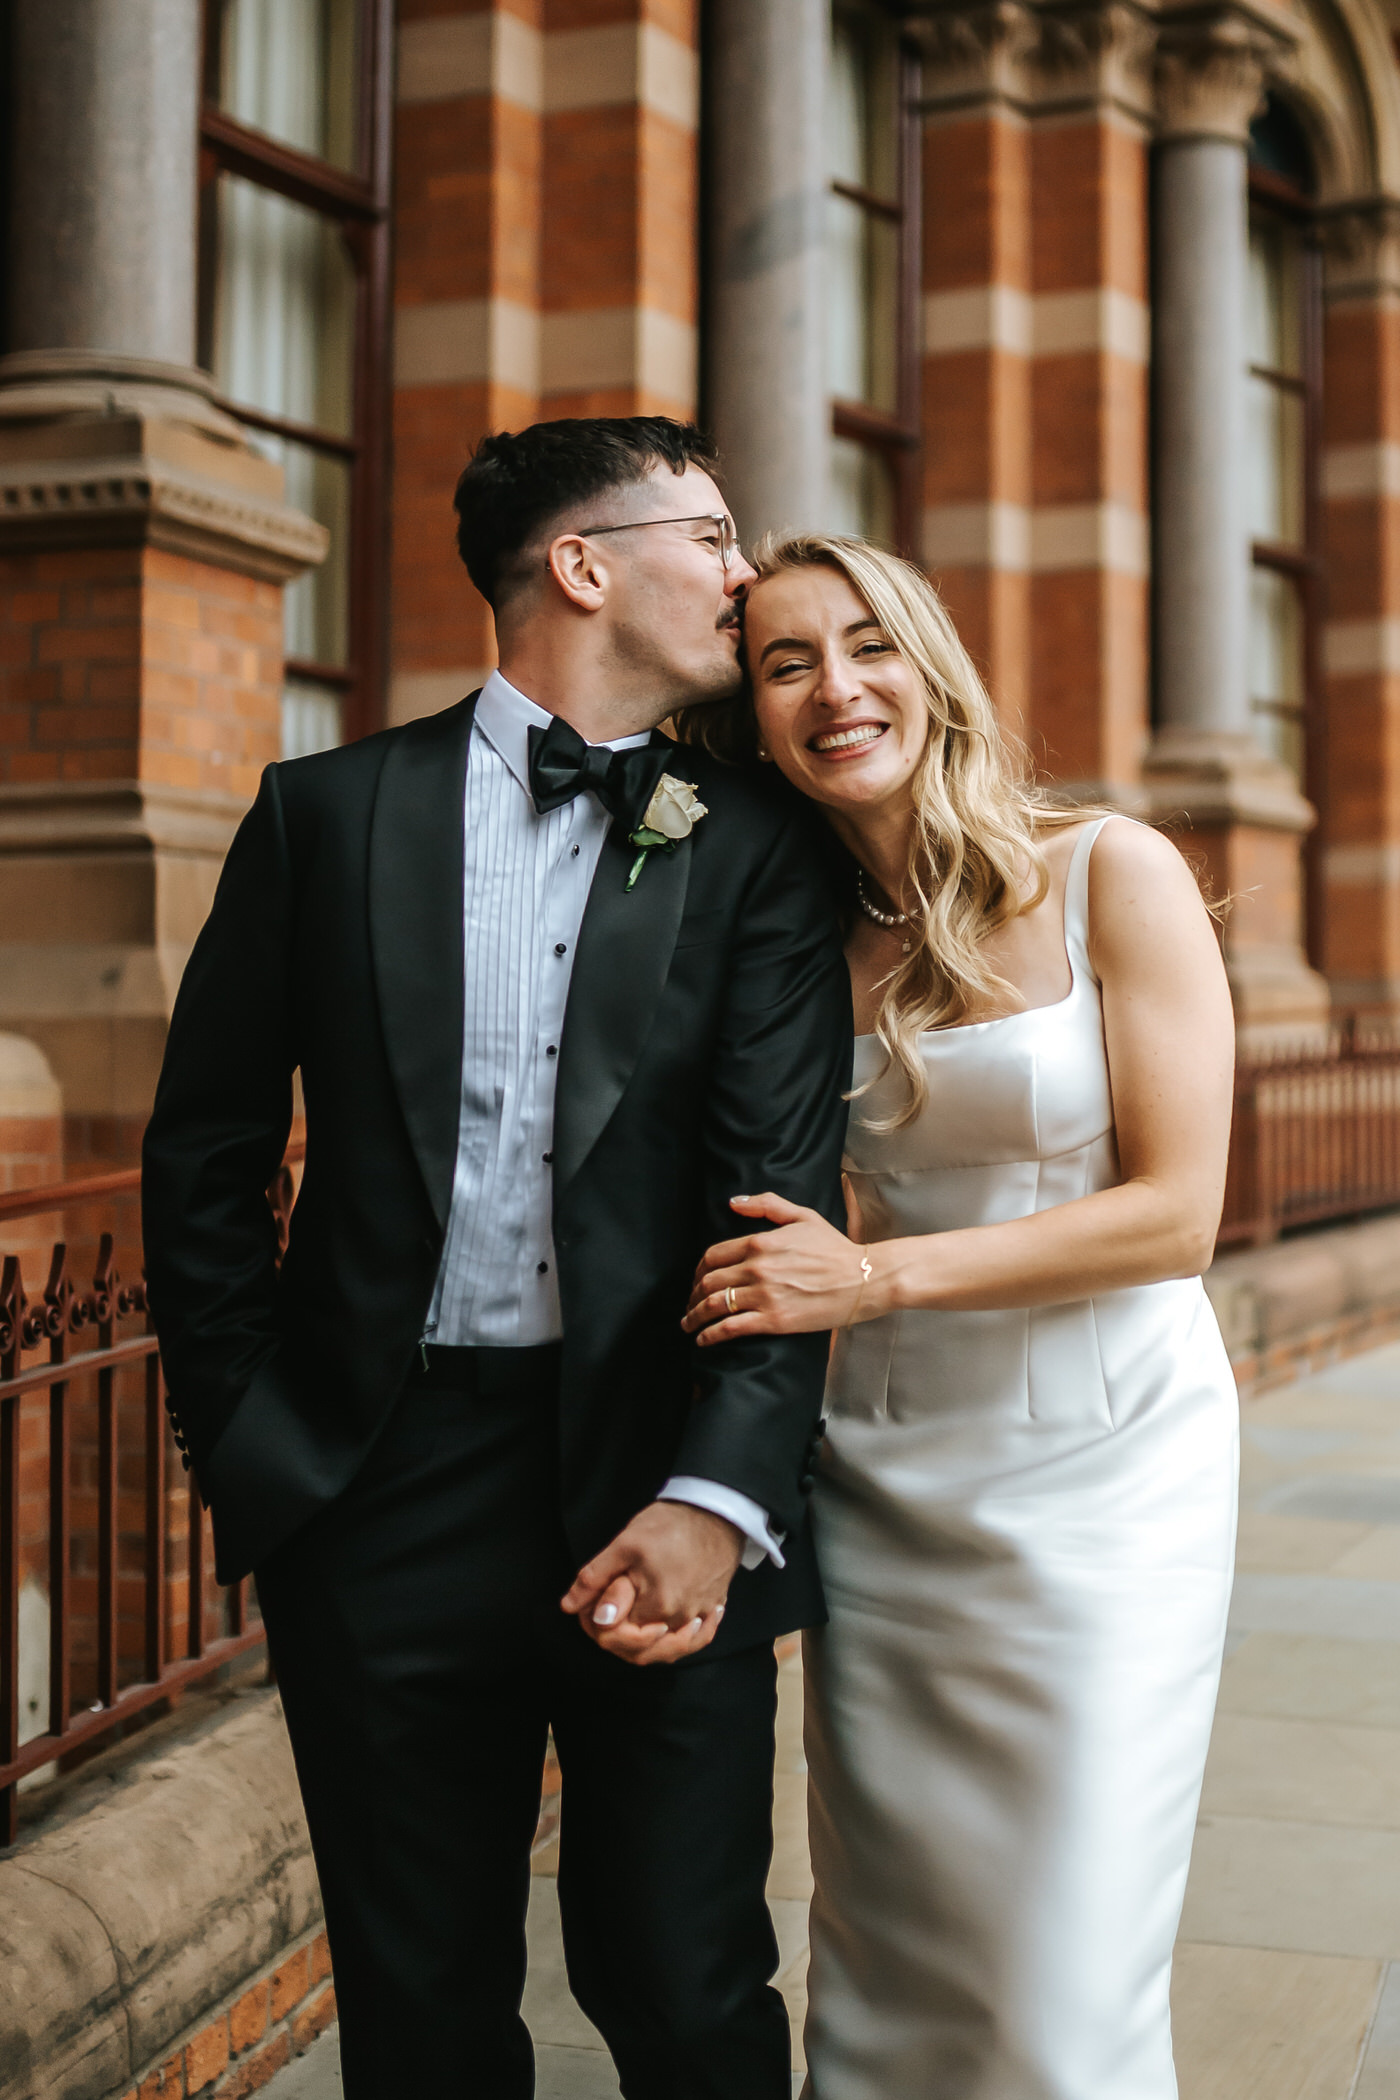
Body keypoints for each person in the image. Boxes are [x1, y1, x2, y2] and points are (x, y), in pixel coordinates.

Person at [140, 420, 853, 2099]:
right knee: (422, 2011)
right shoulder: (323, 817)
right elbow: (206, 1159)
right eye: (716, 534)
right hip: (378, 1493)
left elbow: (780, 1203)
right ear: (584, 565)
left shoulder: (748, 843)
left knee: (686, 1989)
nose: (745, 575)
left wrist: (717, 1500)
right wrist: (265, 1448)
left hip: (658, 1481)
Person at [682, 534, 1239, 2099]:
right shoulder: (793, 943)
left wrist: (870, 1277)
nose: (836, 688)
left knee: (1065, 1968)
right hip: (891, 1483)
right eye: (785, 664)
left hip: (1112, 1479)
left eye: (867, 645)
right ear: (755, 716)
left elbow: (1178, 1218)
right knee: (897, 1949)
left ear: (932, 663)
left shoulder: (1108, 868)